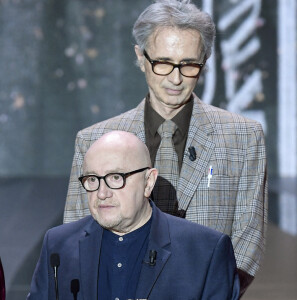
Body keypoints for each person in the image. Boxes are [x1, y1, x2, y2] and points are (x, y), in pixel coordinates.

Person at [64, 0, 268, 295]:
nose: (175, 78)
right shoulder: (94, 140)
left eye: (189, 65)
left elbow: (250, 239)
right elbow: (77, 234)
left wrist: (213, 290)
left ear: (205, 61)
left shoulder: (243, 137)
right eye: (163, 63)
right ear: (140, 57)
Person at [28, 131, 240, 299]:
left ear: (148, 182)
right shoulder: (58, 245)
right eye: (92, 179)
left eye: (115, 177)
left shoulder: (205, 251)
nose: (102, 193)